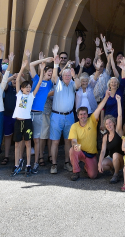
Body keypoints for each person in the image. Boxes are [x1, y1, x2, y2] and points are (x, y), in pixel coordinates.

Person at [67, 89, 110, 181]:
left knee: (93, 176)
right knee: (72, 150)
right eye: (81, 114)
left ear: (87, 115)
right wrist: (75, 145)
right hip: (80, 150)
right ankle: (76, 171)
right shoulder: (74, 126)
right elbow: (73, 140)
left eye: (84, 114)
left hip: (91, 153)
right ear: (78, 116)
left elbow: (99, 108)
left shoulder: (92, 120)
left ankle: (87, 167)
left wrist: (106, 97)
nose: (83, 116)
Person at [49, 44, 78, 174]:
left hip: (69, 116)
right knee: (55, 142)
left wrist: (74, 75)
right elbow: (55, 76)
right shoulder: (58, 83)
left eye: (69, 76)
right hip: (57, 116)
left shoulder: (72, 83)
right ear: (63, 76)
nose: (67, 77)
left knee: (68, 141)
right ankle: (54, 164)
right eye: (65, 75)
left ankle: (67, 162)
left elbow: (78, 84)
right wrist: (55, 65)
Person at [12, 53, 37, 177]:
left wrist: (41, 71)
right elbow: (16, 80)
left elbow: (38, 84)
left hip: (27, 121)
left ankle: (28, 164)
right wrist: (22, 68)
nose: (28, 88)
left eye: (29, 87)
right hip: (18, 121)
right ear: (22, 89)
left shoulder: (31, 96)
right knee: (17, 143)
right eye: (25, 87)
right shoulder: (19, 95)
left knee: (28, 143)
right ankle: (16, 164)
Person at [29, 52, 55, 171]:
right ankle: (29, 161)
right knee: (30, 136)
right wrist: (44, 60)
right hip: (29, 111)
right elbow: (30, 65)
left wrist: (55, 62)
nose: (50, 73)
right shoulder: (36, 79)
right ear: (44, 71)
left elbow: (55, 77)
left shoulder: (50, 83)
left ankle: (38, 159)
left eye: (51, 72)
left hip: (42, 112)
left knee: (39, 137)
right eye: (48, 71)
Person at [98, 94, 124, 183]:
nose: (108, 125)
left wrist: (118, 101)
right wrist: (99, 162)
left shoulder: (118, 131)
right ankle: (114, 170)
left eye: (110, 123)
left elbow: (120, 115)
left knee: (115, 155)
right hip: (112, 158)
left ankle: (116, 174)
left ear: (113, 123)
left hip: (122, 158)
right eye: (106, 124)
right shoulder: (106, 136)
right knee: (102, 164)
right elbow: (103, 151)